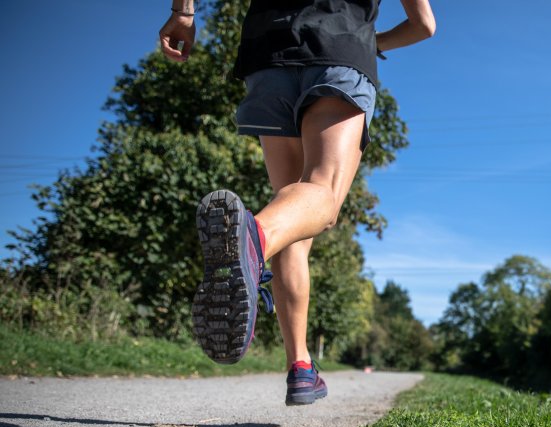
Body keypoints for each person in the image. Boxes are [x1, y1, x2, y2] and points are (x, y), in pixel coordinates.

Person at [158, 0, 435, 405]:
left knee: (292, 214)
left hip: (268, 53)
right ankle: (252, 241)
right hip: (340, 52)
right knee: (321, 191)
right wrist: (369, 41)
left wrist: (184, 13)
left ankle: (301, 365)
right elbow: (423, 24)